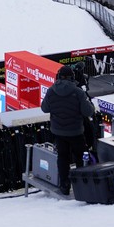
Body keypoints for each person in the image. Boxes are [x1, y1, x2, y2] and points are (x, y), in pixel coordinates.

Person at [40, 65, 95, 194]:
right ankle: (82, 184)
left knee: (63, 158)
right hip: (76, 131)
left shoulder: (51, 90)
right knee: (80, 158)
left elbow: (44, 108)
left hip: (58, 132)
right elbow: (88, 112)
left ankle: (64, 185)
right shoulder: (78, 92)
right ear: (72, 77)